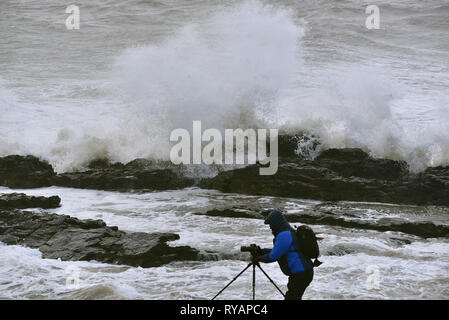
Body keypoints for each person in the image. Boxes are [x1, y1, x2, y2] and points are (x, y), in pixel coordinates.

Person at [256, 210, 314, 300]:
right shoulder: (289, 232)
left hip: (300, 274)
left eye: (270, 224)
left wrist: (258, 258)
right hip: (305, 272)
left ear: (276, 223)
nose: (270, 227)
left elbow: (273, 256)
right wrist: (261, 251)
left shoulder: (284, 234)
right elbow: (281, 251)